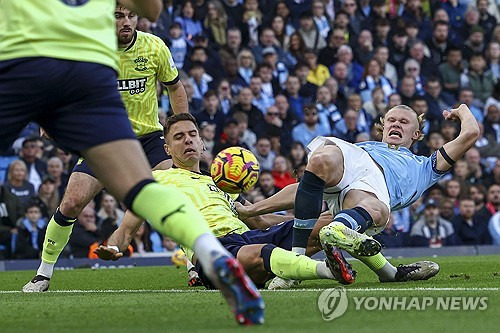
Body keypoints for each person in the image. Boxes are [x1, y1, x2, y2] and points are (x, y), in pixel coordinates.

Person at [0, 0, 262, 324]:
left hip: (145, 136)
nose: (126, 21)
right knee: (74, 201)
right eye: (118, 15)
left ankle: (201, 260)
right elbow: (151, 9)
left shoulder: (152, 47)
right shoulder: (91, 37)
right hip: (97, 122)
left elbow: (174, 85)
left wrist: (178, 125)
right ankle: (43, 274)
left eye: (129, 15)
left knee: (173, 187)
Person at [95, 113, 354, 288]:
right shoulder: (157, 180)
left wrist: (306, 219)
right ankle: (327, 270)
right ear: (167, 149)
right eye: (178, 137)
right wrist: (115, 248)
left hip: (248, 237)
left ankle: (290, 270)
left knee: (329, 222)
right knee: (259, 253)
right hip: (212, 249)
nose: (187, 140)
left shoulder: (221, 182)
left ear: (202, 143)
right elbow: (126, 228)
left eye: (192, 134)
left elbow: (259, 221)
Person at [237, 103, 479, 288]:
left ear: (416, 134)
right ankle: (299, 260)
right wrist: (253, 208)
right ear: (383, 126)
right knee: (320, 159)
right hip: (352, 165)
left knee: (376, 210)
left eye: (404, 122)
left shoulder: (426, 166)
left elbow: (470, 134)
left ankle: (331, 237)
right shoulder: (360, 147)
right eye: (391, 120)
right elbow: (303, 190)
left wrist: (463, 110)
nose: (396, 124)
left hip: (369, 192)